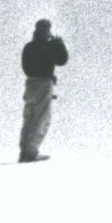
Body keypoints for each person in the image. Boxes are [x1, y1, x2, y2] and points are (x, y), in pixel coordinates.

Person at [18, 18, 69, 163]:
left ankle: (24, 151)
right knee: (42, 119)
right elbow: (62, 60)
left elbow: (26, 67)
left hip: (30, 84)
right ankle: (31, 152)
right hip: (43, 84)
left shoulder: (29, 46)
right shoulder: (50, 45)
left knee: (29, 118)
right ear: (47, 29)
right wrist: (59, 44)